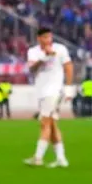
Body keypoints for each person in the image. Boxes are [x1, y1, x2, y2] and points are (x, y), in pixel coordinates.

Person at [24, 27, 73, 168]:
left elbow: (68, 67)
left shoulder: (60, 49)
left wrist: (68, 89)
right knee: (51, 124)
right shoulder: (33, 52)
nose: (48, 40)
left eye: (50, 37)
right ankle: (61, 158)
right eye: (45, 37)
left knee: (45, 123)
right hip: (41, 92)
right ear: (39, 38)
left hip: (54, 91)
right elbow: (32, 69)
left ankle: (38, 157)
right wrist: (45, 57)